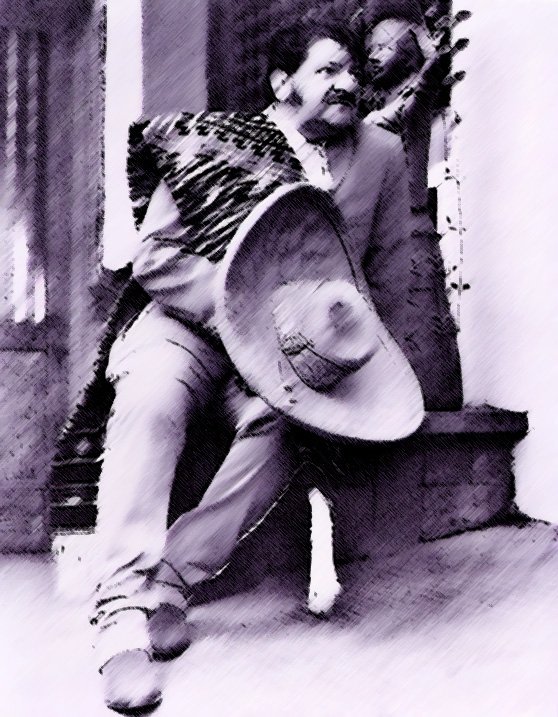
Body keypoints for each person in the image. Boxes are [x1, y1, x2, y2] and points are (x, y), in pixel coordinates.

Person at [59, 17, 461, 713]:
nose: (347, 83)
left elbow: (386, 280)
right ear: (283, 84)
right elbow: (155, 258)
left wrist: (352, 365)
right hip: (189, 324)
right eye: (327, 70)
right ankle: (120, 615)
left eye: (351, 71)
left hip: (288, 352)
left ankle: (172, 581)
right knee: (151, 398)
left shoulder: (380, 154)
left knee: (287, 425)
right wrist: (238, 307)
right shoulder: (216, 143)